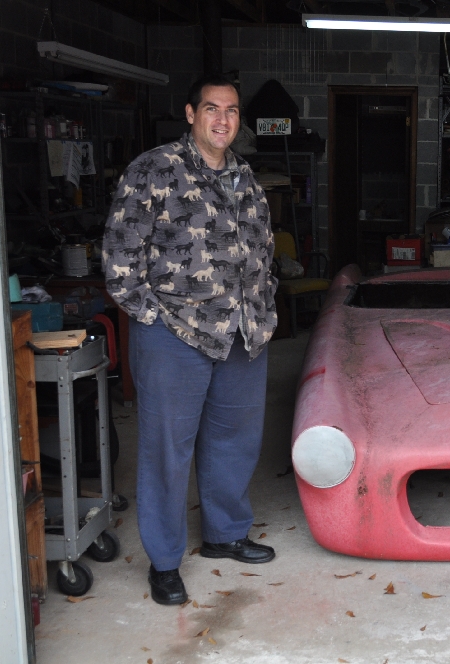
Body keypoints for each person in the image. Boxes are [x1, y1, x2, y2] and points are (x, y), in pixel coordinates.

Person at [102, 74, 278, 605]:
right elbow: (120, 253)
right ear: (190, 113)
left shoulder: (246, 178)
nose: (222, 119)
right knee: (167, 450)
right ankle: (164, 562)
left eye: (231, 110)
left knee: (234, 440)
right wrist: (150, 317)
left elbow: (263, 252)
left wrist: (263, 309)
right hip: (175, 332)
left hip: (242, 333)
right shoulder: (154, 170)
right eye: (211, 109)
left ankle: (225, 534)